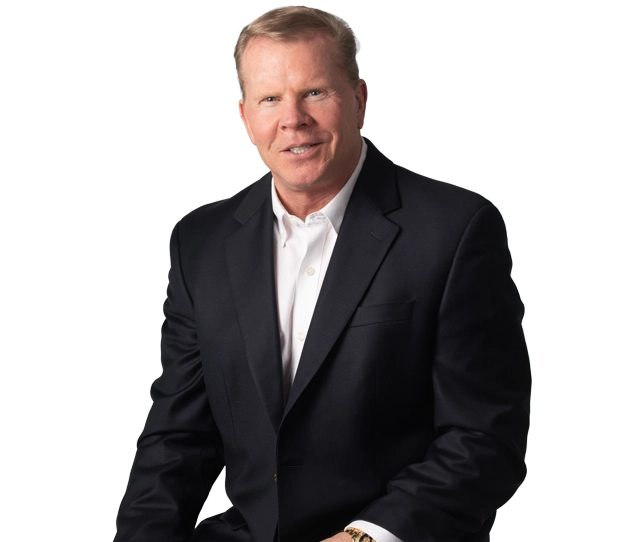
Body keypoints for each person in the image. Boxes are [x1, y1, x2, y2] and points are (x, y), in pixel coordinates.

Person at [113, 6, 531, 542]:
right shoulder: (203, 243)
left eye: (314, 92)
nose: (292, 119)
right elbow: (179, 437)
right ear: (246, 114)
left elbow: (484, 437)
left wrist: (363, 538)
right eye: (270, 99)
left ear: (358, 100)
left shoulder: (453, 232)